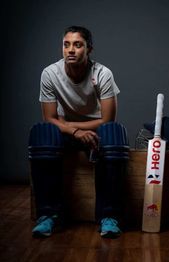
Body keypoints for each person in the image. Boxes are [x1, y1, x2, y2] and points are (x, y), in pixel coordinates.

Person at [28, 26, 129, 239]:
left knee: (114, 132)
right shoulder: (50, 74)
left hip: (98, 132)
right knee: (42, 132)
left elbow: (108, 119)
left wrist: (72, 126)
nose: (71, 50)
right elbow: (49, 118)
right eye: (66, 45)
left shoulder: (102, 74)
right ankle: (48, 216)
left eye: (77, 45)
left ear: (89, 49)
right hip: (65, 133)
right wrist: (73, 132)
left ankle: (109, 218)